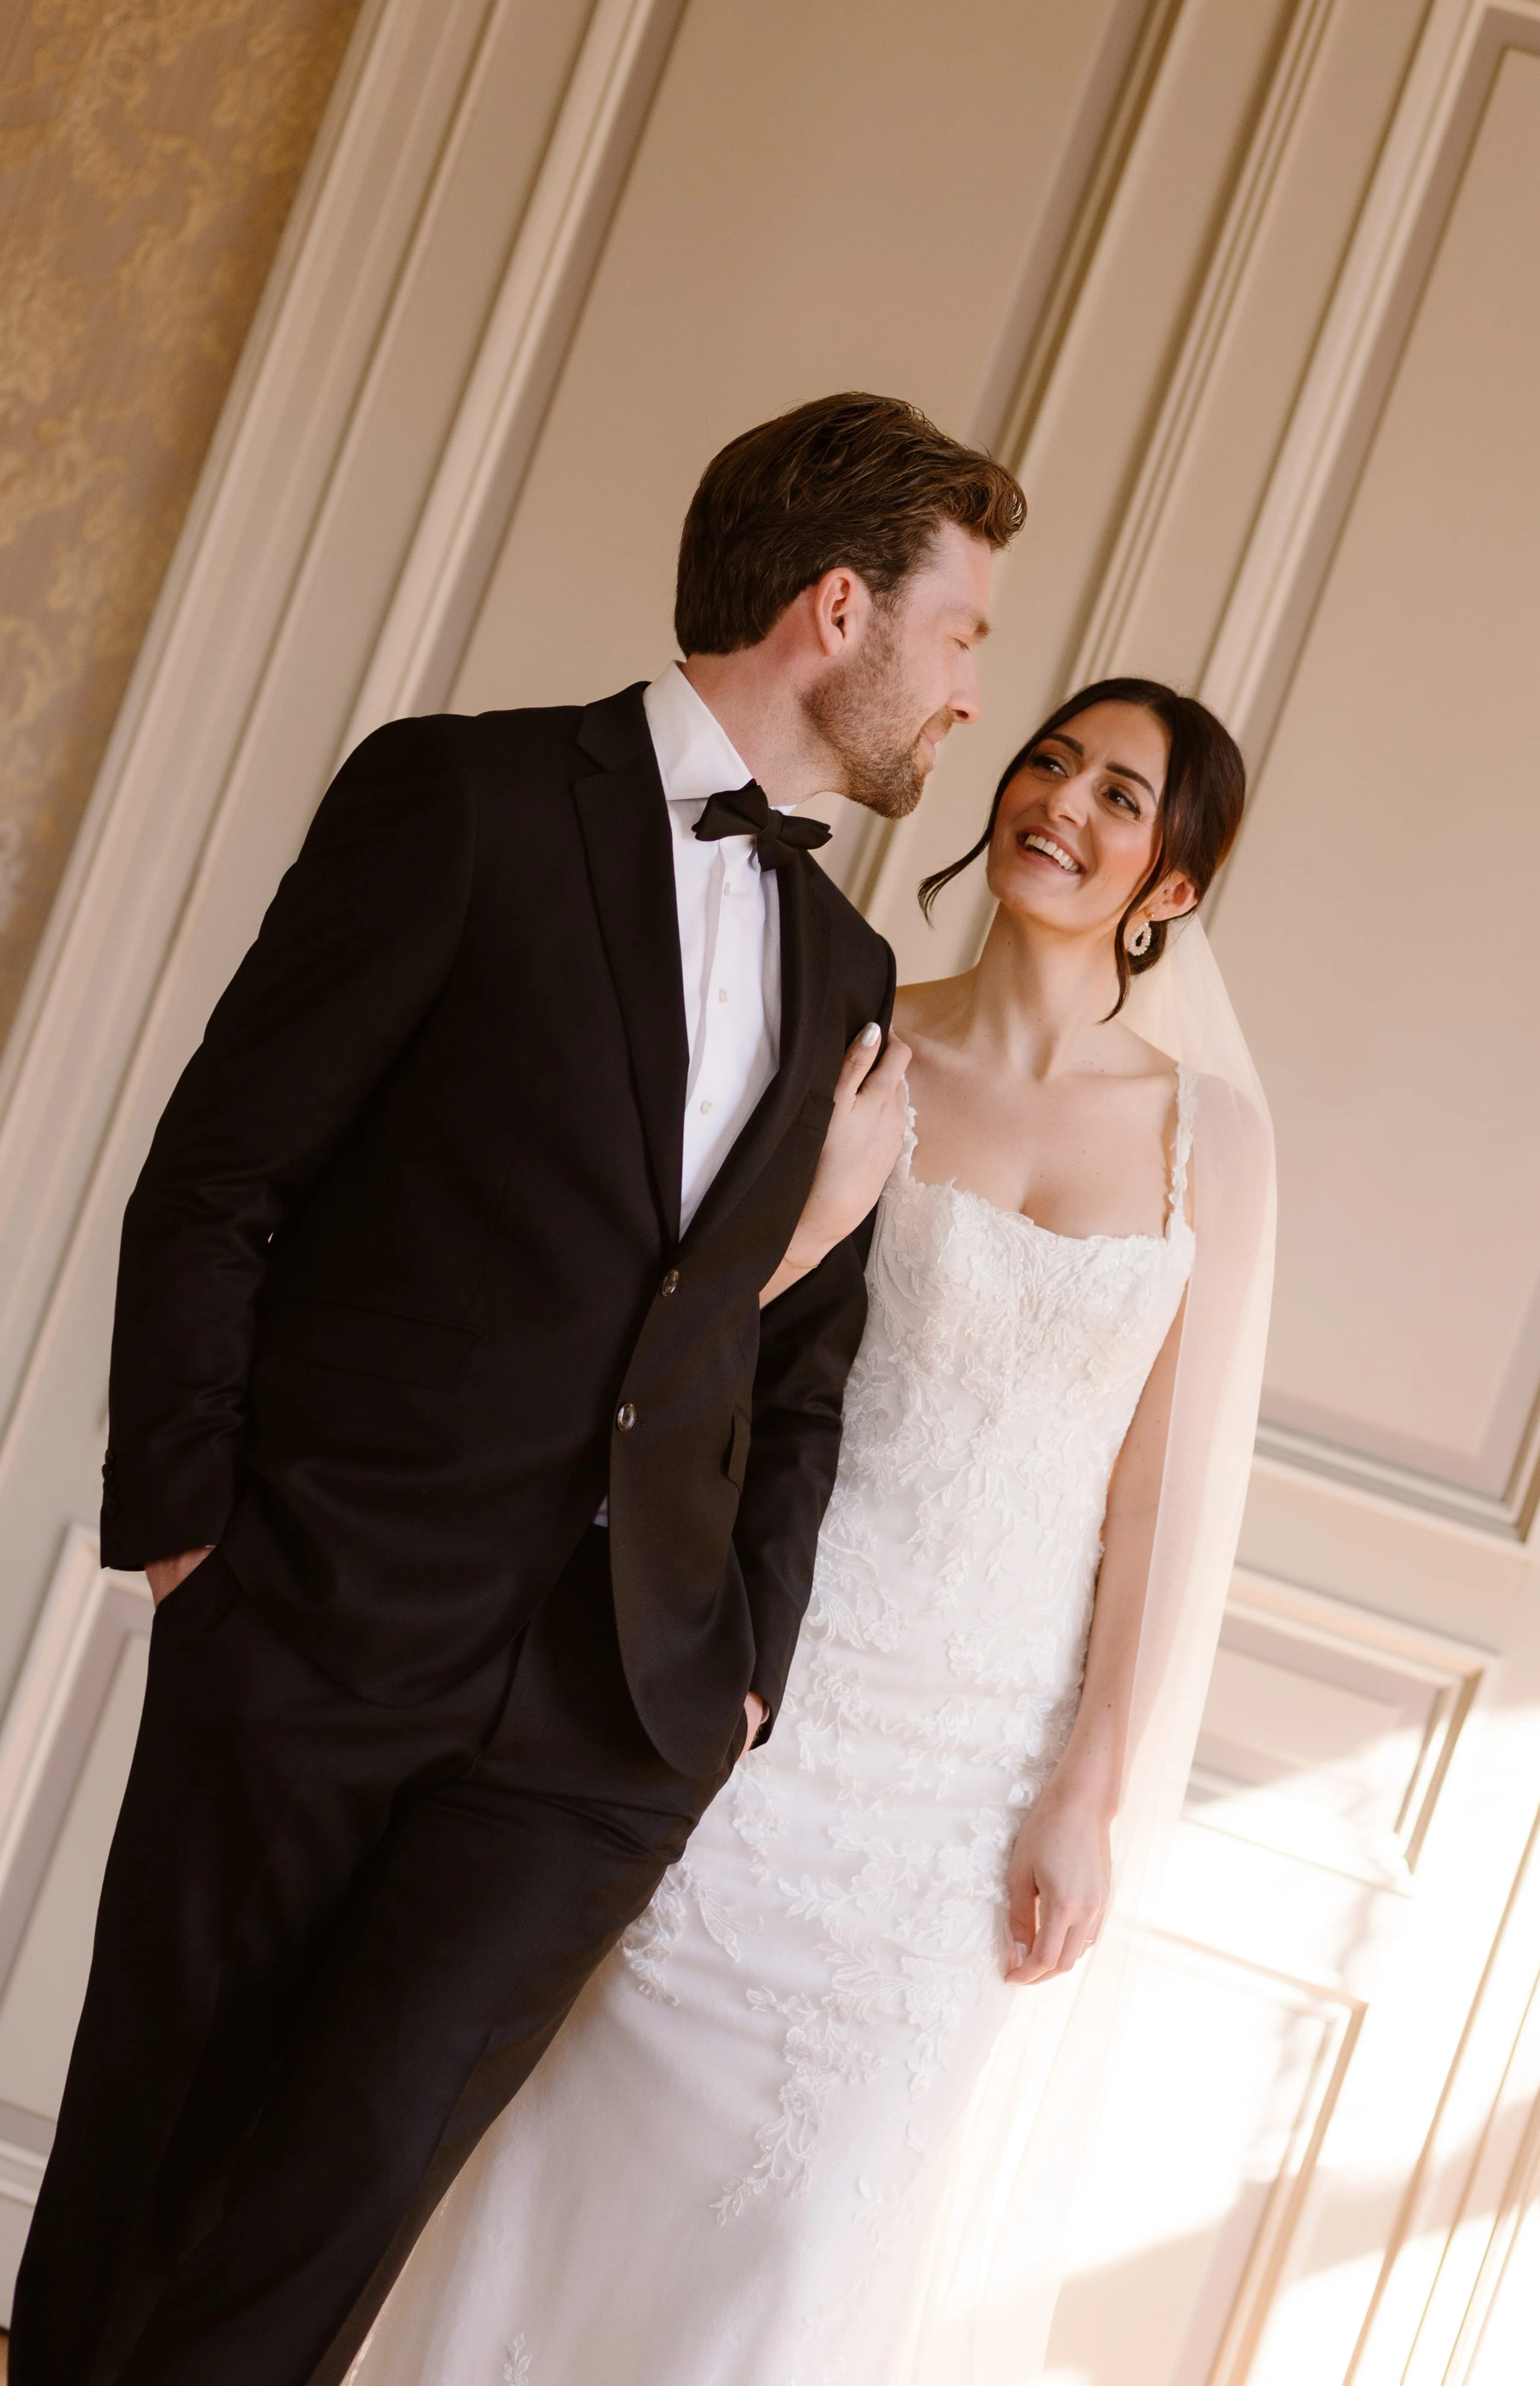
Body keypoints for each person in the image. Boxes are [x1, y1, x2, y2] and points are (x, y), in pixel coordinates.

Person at [9, 393, 1026, 2386]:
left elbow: (802, 1377)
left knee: (334, 2224)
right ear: (840, 610)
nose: (972, 689)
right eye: (962, 631)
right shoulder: (460, 801)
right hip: (317, 1623)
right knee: (155, 2165)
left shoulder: (848, 973)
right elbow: (221, 1177)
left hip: (607, 1719)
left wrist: (742, 1669)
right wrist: (194, 1537)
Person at [344, 678, 1276, 2386]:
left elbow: (1161, 1492)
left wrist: (1088, 1788)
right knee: (570, 2158)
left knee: (800, 2240)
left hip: (966, 1787)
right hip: (756, 1690)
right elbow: (702, 1345)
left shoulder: (1206, 1139)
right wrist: (819, 1215)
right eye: (1049, 761)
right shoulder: (863, 1039)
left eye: (1119, 797)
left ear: (1176, 885)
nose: (1060, 803)